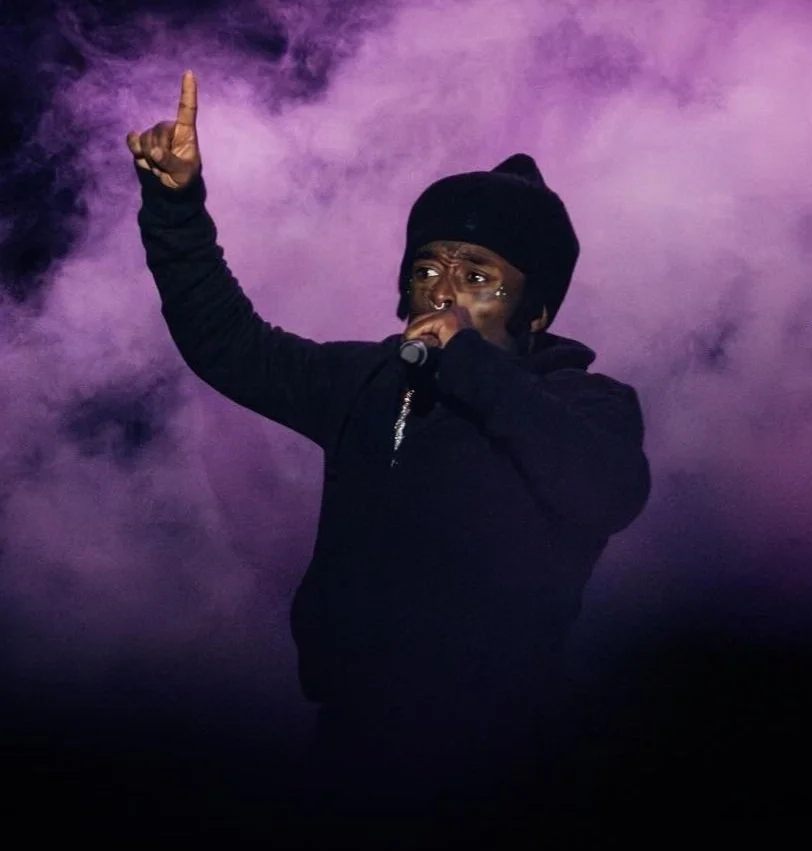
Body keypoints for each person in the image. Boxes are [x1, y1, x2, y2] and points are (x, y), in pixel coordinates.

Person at [128, 72, 650, 837]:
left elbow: (609, 491)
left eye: (477, 277)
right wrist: (175, 206)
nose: (442, 289)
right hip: (349, 743)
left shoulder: (584, 402)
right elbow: (228, 342)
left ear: (535, 310)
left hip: (493, 764)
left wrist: (468, 362)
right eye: (427, 267)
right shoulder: (366, 381)